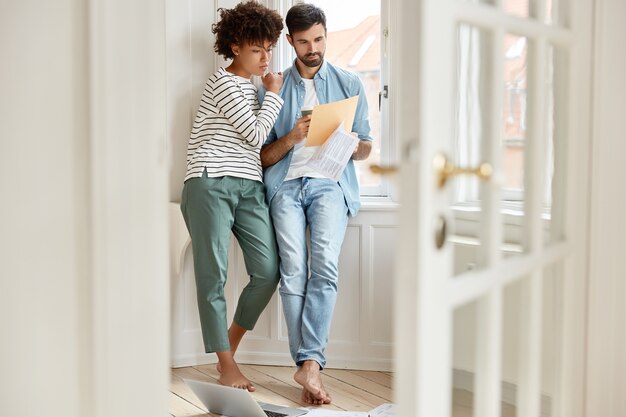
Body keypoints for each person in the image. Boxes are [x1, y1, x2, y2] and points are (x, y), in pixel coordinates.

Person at [260, 3, 372, 405]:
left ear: (327, 35)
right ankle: (307, 364)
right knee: (293, 271)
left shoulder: (349, 82)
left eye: (320, 39)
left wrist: (351, 143)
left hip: (330, 184)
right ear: (290, 41)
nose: (314, 49)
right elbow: (262, 157)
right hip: (286, 186)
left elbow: (366, 148)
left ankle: (309, 364)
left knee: (323, 264)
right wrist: (292, 137)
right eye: (304, 41)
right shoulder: (272, 87)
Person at [180, 1, 284, 392]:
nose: (264, 57)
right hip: (209, 181)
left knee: (268, 270)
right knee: (213, 277)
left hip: (249, 185)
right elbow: (255, 135)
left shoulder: (253, 87)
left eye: (268, 49)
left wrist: (266, 91)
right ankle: (225, 365)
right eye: (257, 49)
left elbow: (254, 145)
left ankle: (229, 349)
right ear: (236, 46)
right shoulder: (221, 82)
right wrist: (274, 93)